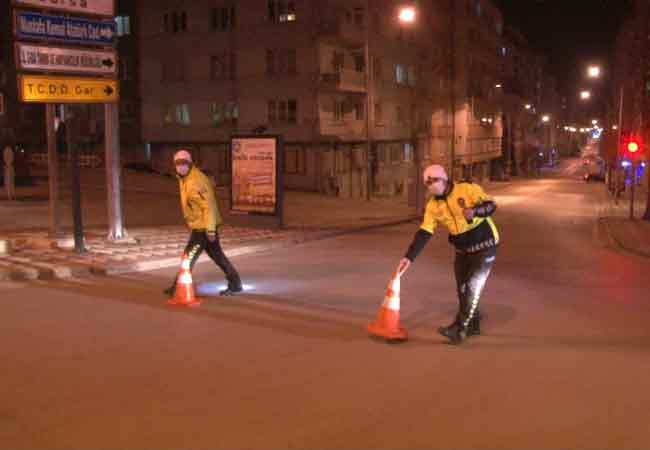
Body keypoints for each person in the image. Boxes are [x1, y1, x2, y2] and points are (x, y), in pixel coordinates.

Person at [396, 164, 499, 345]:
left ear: (444, 179)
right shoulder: (433, 206)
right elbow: (425, 232)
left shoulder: (466, 189)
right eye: (427, 183)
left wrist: (475, 211)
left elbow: (492, 205)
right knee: (462, 289)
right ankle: (473, 324)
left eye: (434, 181)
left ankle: (460, 329)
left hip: (485, 245)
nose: (431, 186)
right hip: (462, 250)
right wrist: (408, 258)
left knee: (473, 287)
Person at [164, 149, 243, 296]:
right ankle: (235, 283)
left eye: (183, 163)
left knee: (188, 257)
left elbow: (209, 206)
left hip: (204, 228)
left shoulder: (196, 181)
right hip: (201, 226)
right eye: (177, 163)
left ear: (190, 163)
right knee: (217, 256)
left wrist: (211, 230)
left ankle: (178, 286)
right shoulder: (185, 178)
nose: (180, 166)